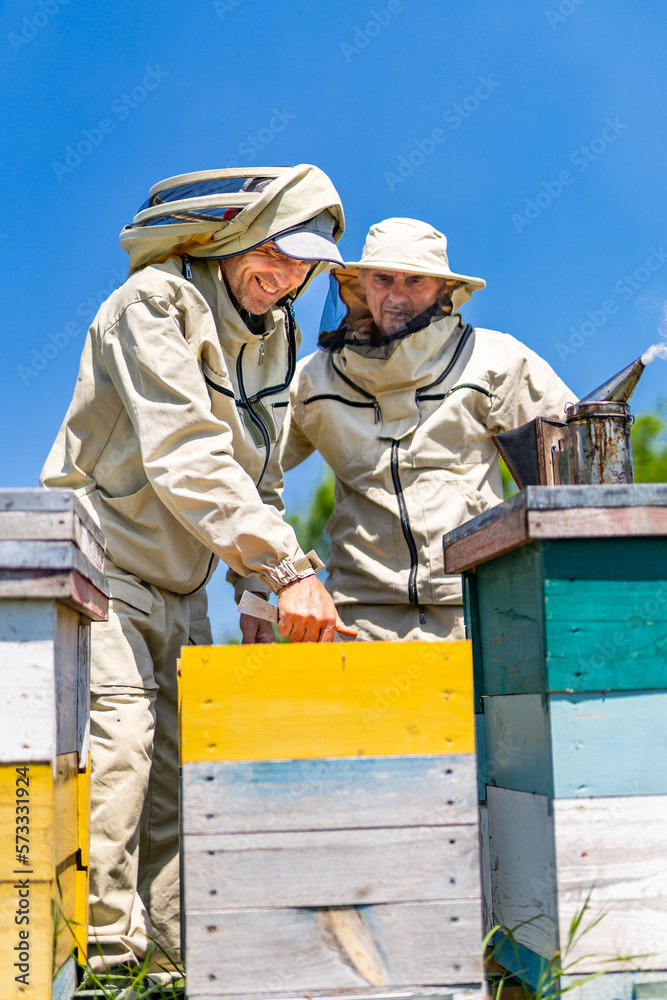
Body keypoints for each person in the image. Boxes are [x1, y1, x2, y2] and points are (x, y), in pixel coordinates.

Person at [40, 164, 356, 980]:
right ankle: (104, 964)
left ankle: (174, 967)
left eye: (304, 267)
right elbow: (184, 455)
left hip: (183, 585)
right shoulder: (152, 303)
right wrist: (287, 568)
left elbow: (262, 475)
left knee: (180, 778)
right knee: (122, 754)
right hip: (101, 568)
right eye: (276, 255)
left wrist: (254, 591)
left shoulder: (278, 332)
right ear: (232, 236)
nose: (286, 278)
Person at [283, 217, 574, 642]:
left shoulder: (496, 361)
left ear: (443, 289)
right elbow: (246, 471)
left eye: (414, 281)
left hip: (477, 609)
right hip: (355, 622)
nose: (396, 295)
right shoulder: (314, 381)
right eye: (383, 278)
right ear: (361, 282)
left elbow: (575, 466)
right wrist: (275, 577)